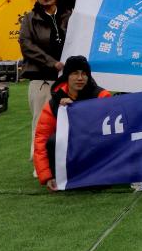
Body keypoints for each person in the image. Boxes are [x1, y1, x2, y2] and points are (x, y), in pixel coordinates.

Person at [33, 56, 111, 191]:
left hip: (95, 149)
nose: (80, 78)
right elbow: (41, 139)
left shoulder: (101, 96)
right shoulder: (54, 103)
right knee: (52, 141)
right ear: (66, 77)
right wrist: (47, 176)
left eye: (84, 74)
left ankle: (98, 175)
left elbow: (110, 132)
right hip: (70, 154)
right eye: (75, 73)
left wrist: (76, 108)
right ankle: (61, 178)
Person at [19, 0, 71, 158]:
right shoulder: (29, 18)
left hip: (66, 80)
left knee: (66, 122)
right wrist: (52, 63)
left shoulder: (68, 15)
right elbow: (26, 45)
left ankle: (63, 162)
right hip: (41, 79)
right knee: (41, 123)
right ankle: (39, 163)